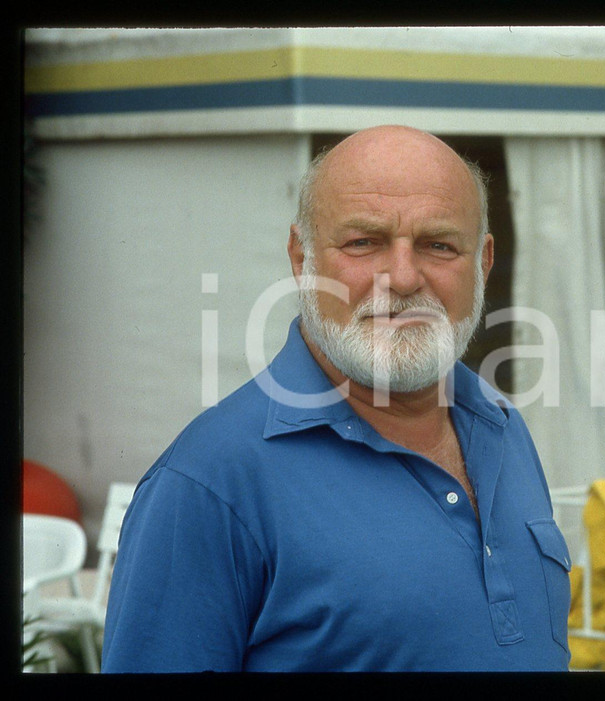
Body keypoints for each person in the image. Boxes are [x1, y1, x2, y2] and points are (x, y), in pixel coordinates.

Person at [101, 125, 572, 672]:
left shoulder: (503, 427)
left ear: (484, 263)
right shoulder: (210, 483)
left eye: (438, 245)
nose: (401, 277)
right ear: (301, 257)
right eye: (363, 242)